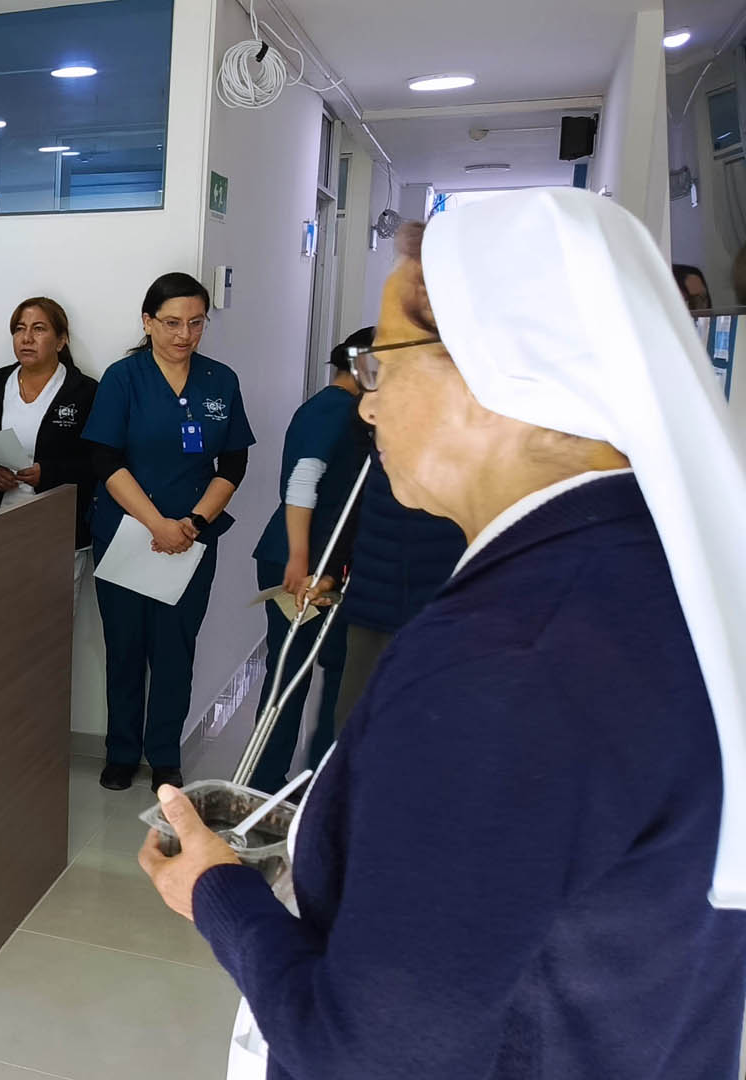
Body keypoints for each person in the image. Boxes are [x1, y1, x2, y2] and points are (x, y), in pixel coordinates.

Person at [141, 189, 746, 1080]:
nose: (370, 407)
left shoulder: (510, 659)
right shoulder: (645, 563)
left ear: (495, 369)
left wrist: (217, 893)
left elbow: (371, 1051)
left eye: (380, 366)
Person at [84, 273, 253, 793]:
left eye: (196, 322)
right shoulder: (123, 377)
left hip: (192, 540)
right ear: (148, 321)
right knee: (125, 648)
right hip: (127, 536)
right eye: (172, 322)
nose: (184, 334)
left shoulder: (219, 380)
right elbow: (104, 459)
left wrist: (194, 523)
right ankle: (120, 751)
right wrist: (155, 523)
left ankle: (164, 755)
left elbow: (234, 463)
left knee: (176, 650)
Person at [244, 328, 372, 792]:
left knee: (333, 667)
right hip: (302, 561)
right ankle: (264, 784)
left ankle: (317, 777)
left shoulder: (350, 412)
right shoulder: (332, 411)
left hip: (328, 561)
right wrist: (300, 559)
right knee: (292, 673)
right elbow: (302, 482)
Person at [326, 453, 467, 727]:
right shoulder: (385, 445)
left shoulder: (473, 443)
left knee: (421, 719)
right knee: (352, 719)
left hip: (439, 610)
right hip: (371, 601)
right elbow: (354, 508)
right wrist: (330, 569)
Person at [0, 296, 99, 545]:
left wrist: (48, 473)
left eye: (39, 329)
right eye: (20, 329)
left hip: (59, 527)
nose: (26, 338)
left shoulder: (84, 391)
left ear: (61, 341)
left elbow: (98, 462)